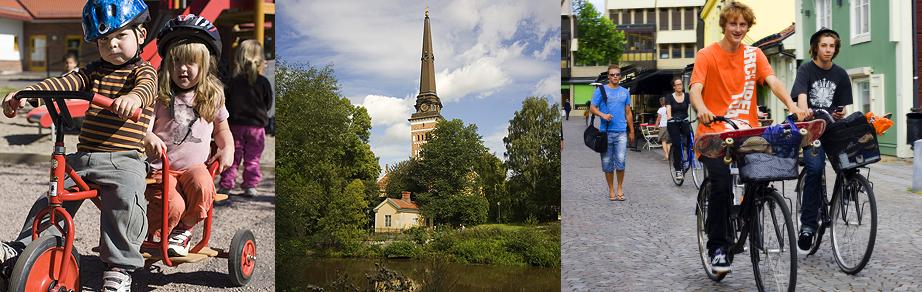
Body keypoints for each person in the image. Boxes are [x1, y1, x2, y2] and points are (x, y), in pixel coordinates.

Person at [0, 0, 156, 290]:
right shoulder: (92, 72)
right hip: (85, 158)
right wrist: (27, 92)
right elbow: (64, 83)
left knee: (126, 202)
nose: (111, 46)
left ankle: (120, 267)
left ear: (141, 35)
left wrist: (132, 99)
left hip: (125, 160)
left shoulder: (143, 72)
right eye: (103, 40)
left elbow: (146, 89)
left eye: (120, 36)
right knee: (50, 199)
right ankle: (22, 249)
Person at [689, 2, 808, 274]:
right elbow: (696, 88)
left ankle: (747, 213)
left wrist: (791, 105)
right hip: (714, 134)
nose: (738, 29)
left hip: (745, 132)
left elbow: (773, 81)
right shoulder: (707, 55)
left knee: (762, 175)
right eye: (733, 24)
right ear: (724, 25)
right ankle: (718, 247)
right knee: (720, 183)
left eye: (743, 25)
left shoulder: (754, 55)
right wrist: (703, 108)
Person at [143, 14, 234, 257]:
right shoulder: (159, 96)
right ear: (167, 65)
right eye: (176, 62)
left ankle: (183, 230)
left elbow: (222, 129)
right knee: (172, 205)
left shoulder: (211, 96)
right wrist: (147, 136)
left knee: (204, 187)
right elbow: (145, 125)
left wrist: (227, 148)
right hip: (162, 168)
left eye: (190, 62)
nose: (182, 69)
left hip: (194, 166)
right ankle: (159, 231)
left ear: (205, 64)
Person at [791, 28, 852, 253]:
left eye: (832, 46)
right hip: (811, 129)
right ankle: (807, 226)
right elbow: (802, 98)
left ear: (836, 49)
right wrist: (806, 112)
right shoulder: (806, 69)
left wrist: (838, 113)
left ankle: (845, 193)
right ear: (816, 47)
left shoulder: (841, 74)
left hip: (832, 128)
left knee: (849, 161)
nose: (828, 50)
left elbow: (842, 107)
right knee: (815, 170)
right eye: (824, 45)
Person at [219, 40, 273, 197]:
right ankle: (250, 185)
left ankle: (226, 185)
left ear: (239, 58)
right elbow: (268, 104)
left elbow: (225, 104)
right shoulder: (263, 82)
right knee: (253, 158)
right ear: (261, 59)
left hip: (235, 125)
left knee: (233, 157)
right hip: (256, 128)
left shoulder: (231, 81)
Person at [589, 64, 634, 201]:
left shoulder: (625, 92)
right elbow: (592, 108)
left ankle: (620, 188)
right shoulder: (601, 91)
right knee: (607, 164)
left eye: (617, 74)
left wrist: (631, 131)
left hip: (621, 132)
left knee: (621, 162)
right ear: (608, 76)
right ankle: (611, 189)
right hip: (606, 133)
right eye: (612, 74)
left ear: (620, 76)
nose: (615, 76)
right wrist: (603, 115)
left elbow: (628, 112)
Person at [666, 77, 691, 177]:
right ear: (674, 87)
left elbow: (693, 106)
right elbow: (668, 108)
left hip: (684, 121)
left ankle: (689, 159)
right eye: (678, 84)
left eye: (681, 84)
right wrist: (669, 116)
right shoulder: (669, 97)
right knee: (677, 144)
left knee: (690, 139)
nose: (680, 86)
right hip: (673, 122)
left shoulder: (687, 96)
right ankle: (678, 169)